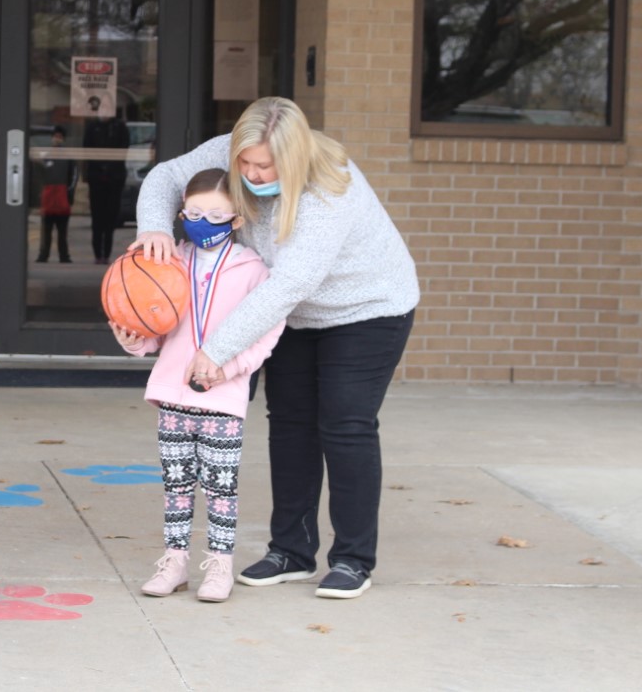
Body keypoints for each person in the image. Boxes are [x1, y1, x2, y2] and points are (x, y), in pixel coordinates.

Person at [132, 96, 419, 600]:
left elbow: (287, 285)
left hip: (367, 309)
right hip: (290, 315)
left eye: (264, 165)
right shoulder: (230, 152)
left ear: (293, 156)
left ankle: (353, 559)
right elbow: (163, 179)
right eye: (244, 162)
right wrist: (154, 226)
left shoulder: (329, 188)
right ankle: (291, 550)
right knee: (289, 424)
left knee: (345, 423)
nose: (251, 172)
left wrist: (217, 350)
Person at [112, 168, 284, 603]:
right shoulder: (167, 263)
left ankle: (219, 566)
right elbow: (155, 328)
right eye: (192, 212)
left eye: (214, 214)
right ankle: (175, 562)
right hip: (172, 395)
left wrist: (232, 368)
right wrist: (134, 340)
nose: (201, 221)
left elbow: (267, 331)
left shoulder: (252, 271)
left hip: (223, 398)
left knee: (220, 487)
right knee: (177, 485)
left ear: (237, 220)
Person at [83, 113, 129, 264]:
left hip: (114, 179)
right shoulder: (92, 127)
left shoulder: (119, 127)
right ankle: (97, 254)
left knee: (111, 219)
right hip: (96, 178)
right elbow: (87, 150)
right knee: (97, 219)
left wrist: (111, 168)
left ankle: (106, 254)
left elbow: (124, 149)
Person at [36, 125, 77, 263]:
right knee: (46, 231)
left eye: (59, 137)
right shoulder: (45, 156)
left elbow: (73, 177)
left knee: (62, 232)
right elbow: (39, 177)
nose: (57, 139)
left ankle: (64, 255)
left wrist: (69, 195)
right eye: (55, 136)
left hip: (62, 197)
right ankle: (43, 255)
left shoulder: (68, 158)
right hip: (48, 198)